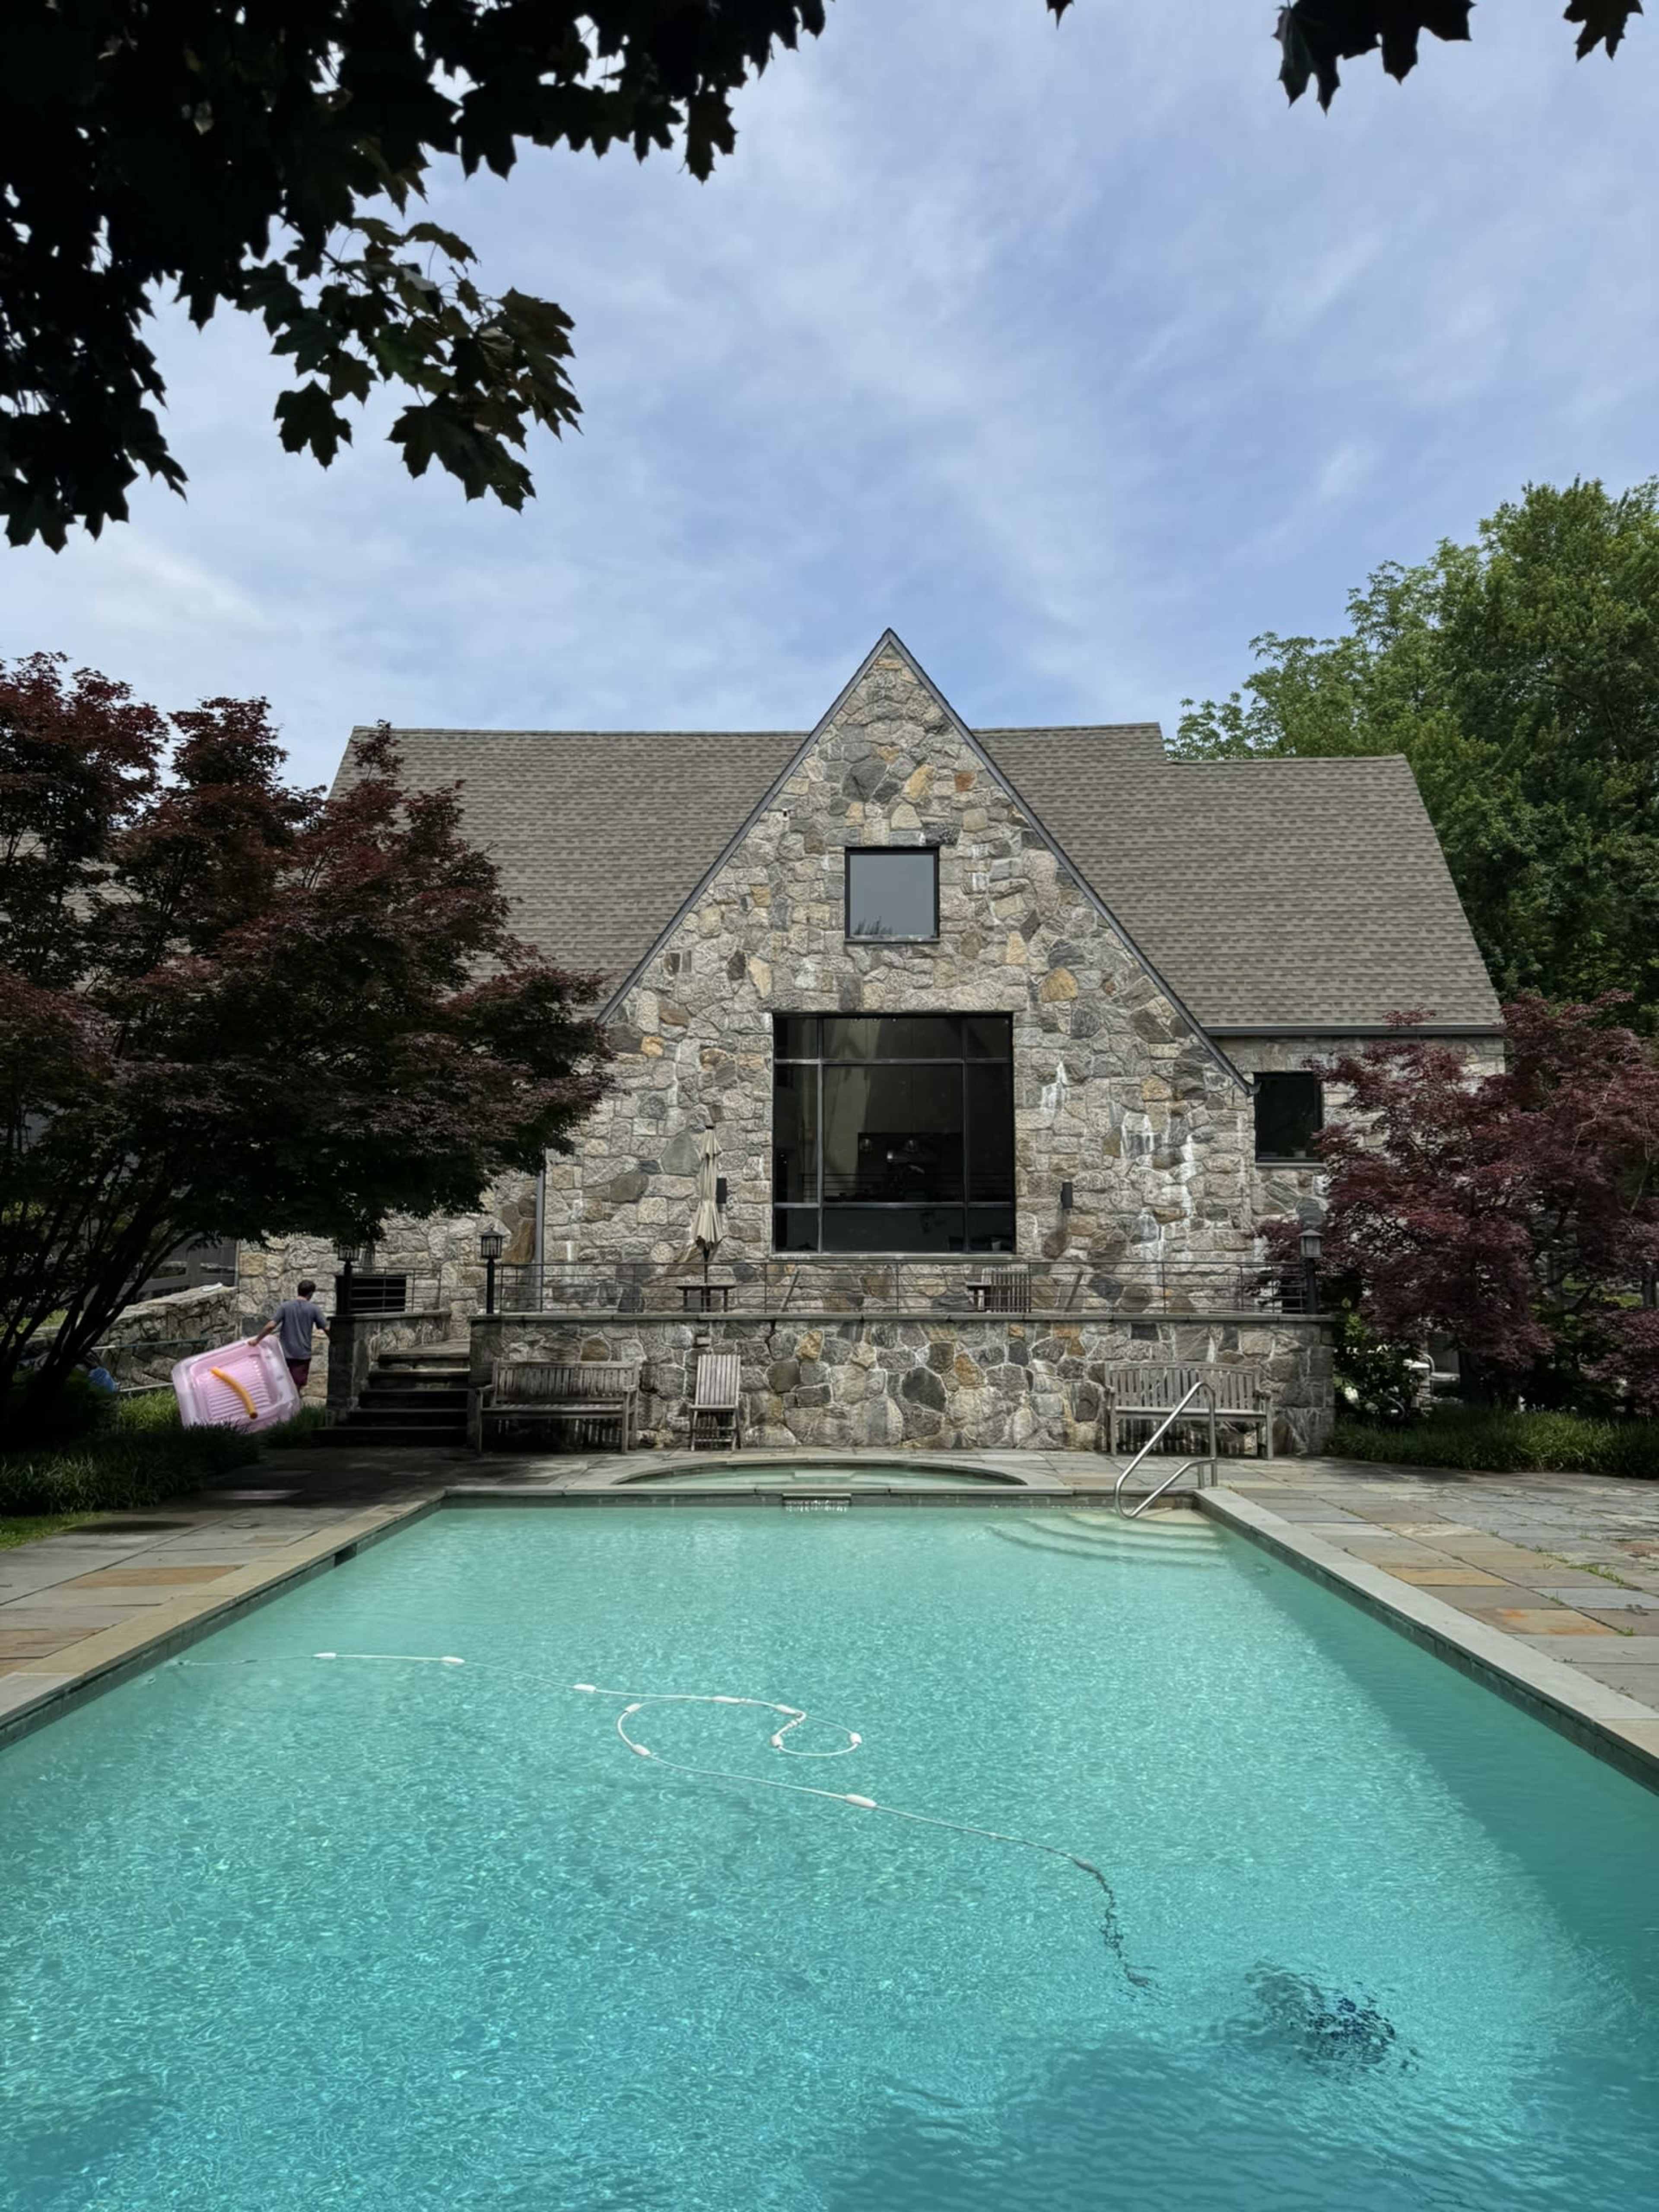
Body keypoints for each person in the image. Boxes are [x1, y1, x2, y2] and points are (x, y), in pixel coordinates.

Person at [251, 1278, 330, 1393]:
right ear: (311, 1294)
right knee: (296, 1387)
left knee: (279, 1385)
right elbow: (327, 1328)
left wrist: (257, 1340)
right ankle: (293, 1410)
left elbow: (271, 1325)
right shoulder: (314, 1309)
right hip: (302, 1355)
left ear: (298, 1291)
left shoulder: (285, 1307)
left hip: (284, 1354)